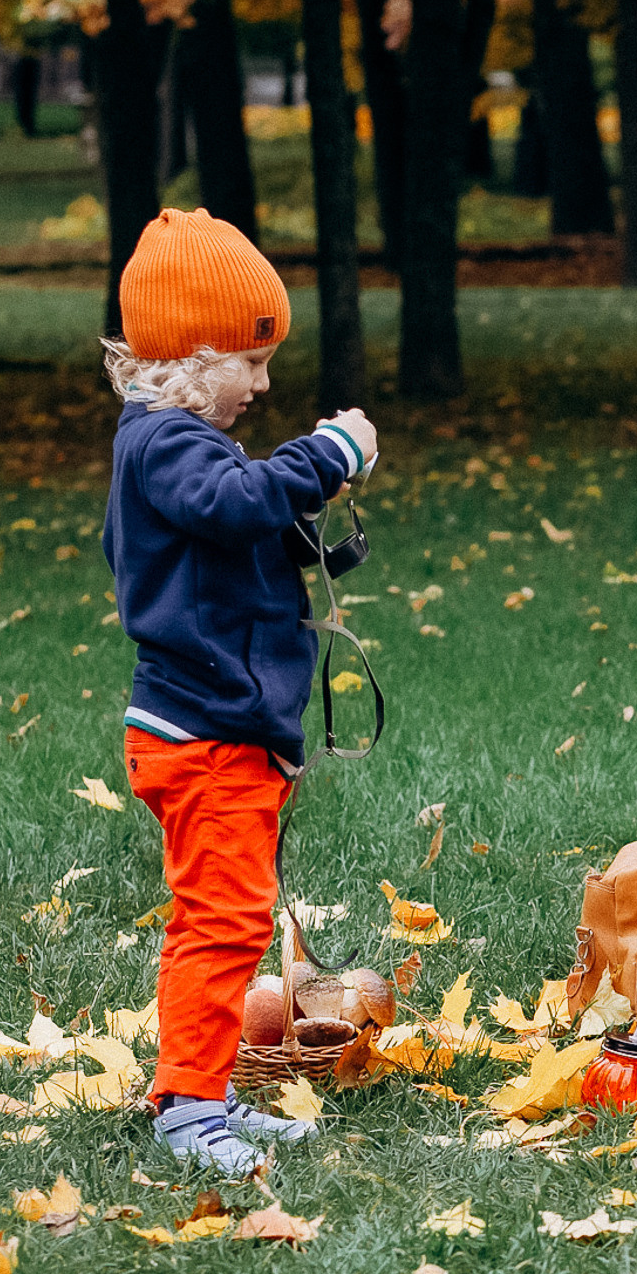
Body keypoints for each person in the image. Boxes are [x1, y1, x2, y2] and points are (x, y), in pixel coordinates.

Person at [100, 208, 380, 1177]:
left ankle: (204, 1087)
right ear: (189, 352)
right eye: (250, 362)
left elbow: (240, 530)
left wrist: (314, 534)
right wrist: (326, 458)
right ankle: (186, 1109)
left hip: (229, 730)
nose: (262, 384)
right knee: (216, 923)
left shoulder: (182, 448)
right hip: (204, 733)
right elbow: (236, 503)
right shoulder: (168, 447)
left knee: (230, 917)